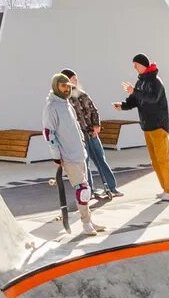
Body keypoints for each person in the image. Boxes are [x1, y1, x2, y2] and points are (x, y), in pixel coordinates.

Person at [43, 71, 99, 237]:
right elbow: (49, 133)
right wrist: (56, 155)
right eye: (63, 86)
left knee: (86, 189)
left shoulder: (67, 105)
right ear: (55, 86)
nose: (66, 89)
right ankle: (86, 223)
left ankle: (89, 219)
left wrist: (82, 144)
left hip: (79, 153)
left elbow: (75, 129)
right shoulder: (51, 107)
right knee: (82, 189)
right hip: (67, 155)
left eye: (68, 86)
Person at [117, 52, 169, 200]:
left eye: (136, 64)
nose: (134, 67)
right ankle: (165, 189)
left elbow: (153, 99)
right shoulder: (140, 82)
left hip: (158, 126)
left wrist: (135, 91)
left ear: (143, 65)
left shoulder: (156, 82)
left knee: (163, 160)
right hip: (146, 126)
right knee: (155, 161)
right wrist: (123, 106)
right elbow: (135, 100)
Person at [60, 68, 122, 200]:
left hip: (92, 134)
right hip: (80, 137)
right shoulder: (64, 99)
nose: (76, 81)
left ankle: (111, 187)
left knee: (100, 159)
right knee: (84, 163)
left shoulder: (83, 95)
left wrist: (97, 125)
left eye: (76, 79)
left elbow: (94, 111)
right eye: (73, 79)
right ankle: (90, 191)